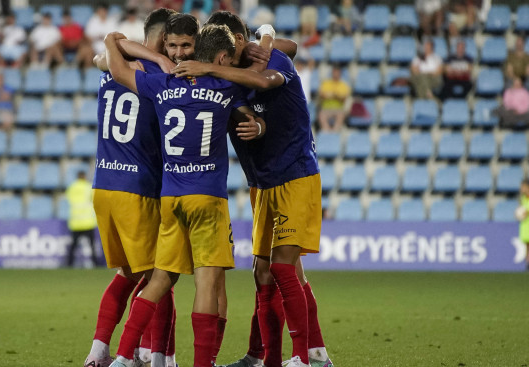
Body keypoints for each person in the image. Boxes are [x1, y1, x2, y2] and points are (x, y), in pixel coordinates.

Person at [174, 14, 334, 367]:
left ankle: (304, 358)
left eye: (226, 53)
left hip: (295, 175)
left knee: (283, 270)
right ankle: (269, 358)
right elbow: (244, 111)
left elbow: (266, 80)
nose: (223, 59)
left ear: (236, 40)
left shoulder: (271, 59)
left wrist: (260, 40)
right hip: (260, 183)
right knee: (263, 273)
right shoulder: (233, 75)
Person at [105, 23, 265, 367]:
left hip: (170, 198)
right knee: (207, 284)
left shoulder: (162, 83)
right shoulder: (227, 85)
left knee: (161, 278)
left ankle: (122, 357)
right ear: (222, 57)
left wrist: (109, 40)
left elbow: (117, 69)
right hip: (208, 199)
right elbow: (259, 75)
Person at [83, 8, 177, 367]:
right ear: (164, 40)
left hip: (104, 182)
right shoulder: (157, 75)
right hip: (136, 187)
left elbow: (108, 48)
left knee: (127, 273)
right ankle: (156, 357)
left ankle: (99, 351)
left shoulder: (111, 67)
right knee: (161, 274)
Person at [66, 170, 98, 268]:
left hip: (75, 222)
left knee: (73, 246)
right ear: (84, 176)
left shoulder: (72, 187)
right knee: (92, 246)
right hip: (88, 222)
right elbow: (94, 199)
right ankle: (95, 264)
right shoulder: (88, 187)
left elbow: (69, 199)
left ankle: (69, 264)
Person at [317, 65, 350, 131]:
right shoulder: (326, 83)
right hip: (326, 108)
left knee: (341, 116)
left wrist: (333, 96)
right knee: (321, 115)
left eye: (337, 73)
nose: (336, 74)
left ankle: (335, 133)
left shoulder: (343, 85)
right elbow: (321, 95)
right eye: (334, 72)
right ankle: (327, 132)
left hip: (338, 109)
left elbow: (343, 99)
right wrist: (335, 96)